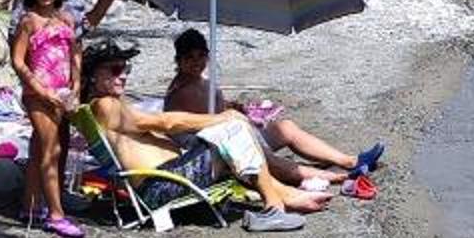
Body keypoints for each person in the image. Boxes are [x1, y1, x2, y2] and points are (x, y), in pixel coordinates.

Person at [80, 40, 333, 217]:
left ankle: (285, 194)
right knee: (232, 131)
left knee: (232, 134)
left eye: (126, 69)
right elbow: (162, 122)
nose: (123, 76)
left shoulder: (109, 105)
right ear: (93, 75)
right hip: (161, 186)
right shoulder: (104, 105)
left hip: (168, 179)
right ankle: (276, 206)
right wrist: (220, 119)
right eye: (115, 70)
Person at [160, 29, 382, 190]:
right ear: (179, 61)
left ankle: (348, 160)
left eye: (201, 56)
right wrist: (233, 115)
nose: (196, 62)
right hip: (211, 152)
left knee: (285, 128)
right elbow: (209, 123)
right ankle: (340, 177)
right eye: (189, 58)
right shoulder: (183, 90)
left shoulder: (197, 81)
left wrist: (231, 107)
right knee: (265, 157)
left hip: (224, 135)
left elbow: (214, 113)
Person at [9, 0, 84, 238]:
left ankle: (30, 205)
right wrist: (40, 90)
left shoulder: (66, 18)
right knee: (51, 150)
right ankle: (56, 214)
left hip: (61, 93)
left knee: (41, 148)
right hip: (38, 94)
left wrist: (76, 83)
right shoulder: (29, 21)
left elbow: (75, 52)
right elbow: (18, 61)